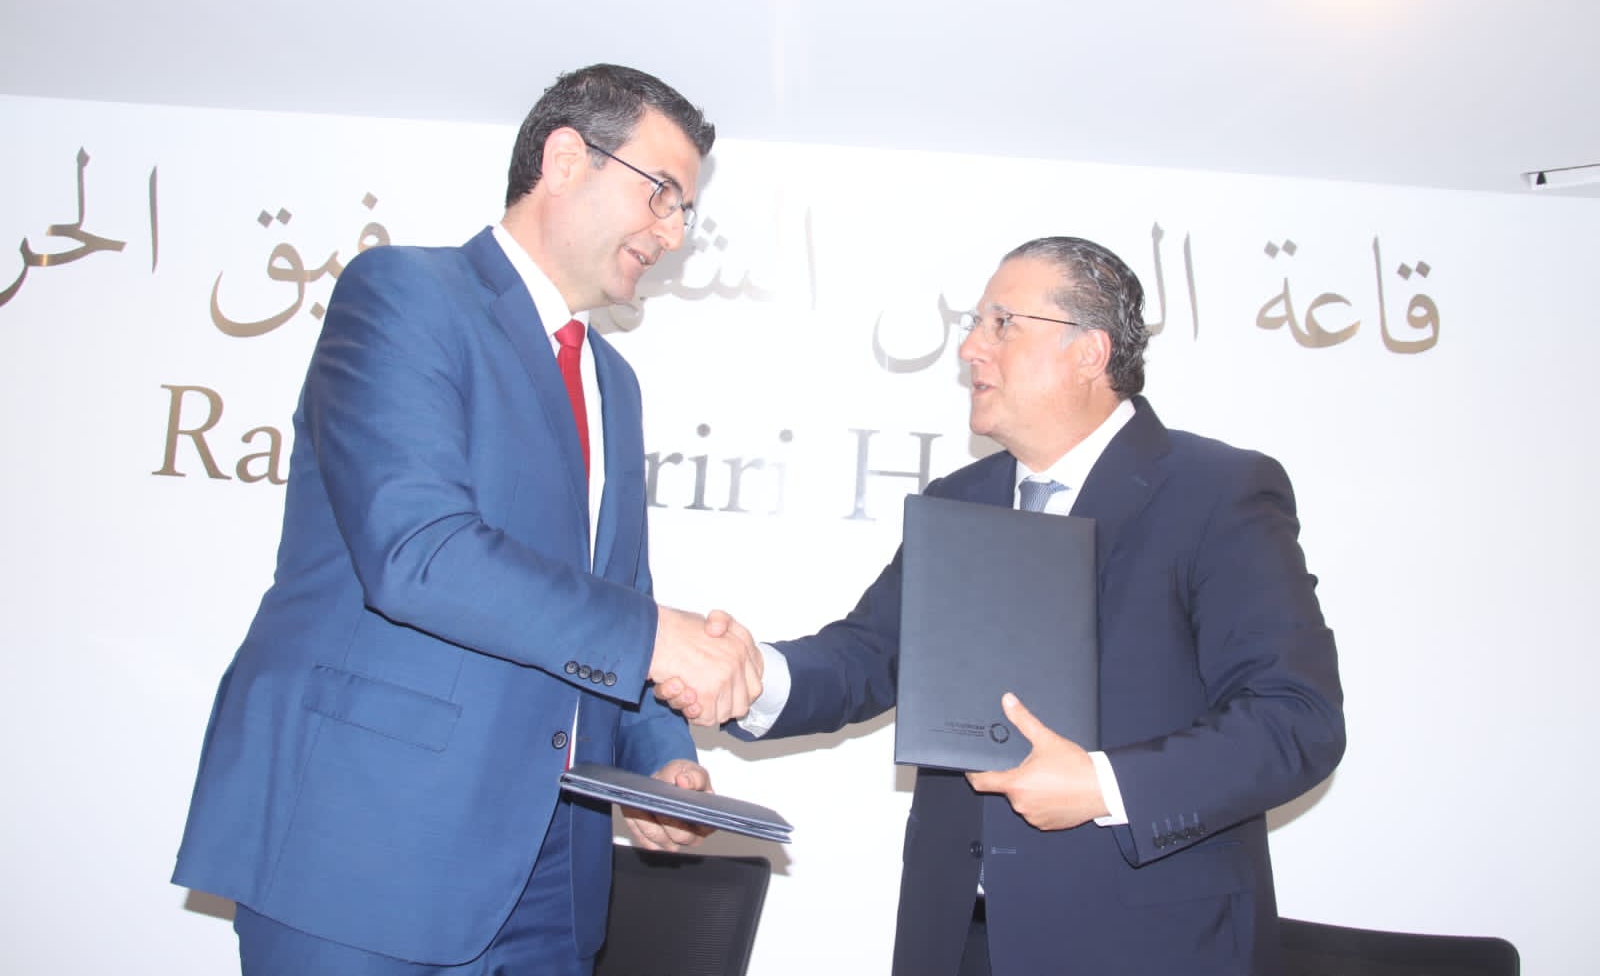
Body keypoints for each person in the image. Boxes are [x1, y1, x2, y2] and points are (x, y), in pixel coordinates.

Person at [172, 63, 763, 975]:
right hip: (368, 844)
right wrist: (659, 637)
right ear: (564, 160)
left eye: (686, 211)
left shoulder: (615, 383)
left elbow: (615, 590)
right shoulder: (405, 294)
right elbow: (418, 553)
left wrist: (658, 758)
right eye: (662, 194)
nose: (673, 232)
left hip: (553, 871)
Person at [670, 235, 1346, 975]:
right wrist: (750, 675)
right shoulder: (962, 498)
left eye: (1002, 324)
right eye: (975, 324)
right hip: (956, 938)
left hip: (1145, 944)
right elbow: (872, 655)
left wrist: (1102, 786)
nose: (969, 348)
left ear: (1089, 351)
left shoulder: (1218, 492)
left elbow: (1296, 720)